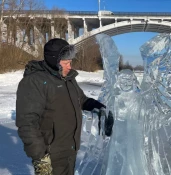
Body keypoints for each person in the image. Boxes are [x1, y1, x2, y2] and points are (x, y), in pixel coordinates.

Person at [16, 38, 113, 175]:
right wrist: (40, 158)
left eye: (71, 62)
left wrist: (99, 108)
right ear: (54, 61)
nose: (70, 66)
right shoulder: (35, 82)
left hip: (70, 150)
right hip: (51, 155)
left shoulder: (68, 79)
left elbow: (81, 99)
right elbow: (26, 122)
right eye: (66, 63)